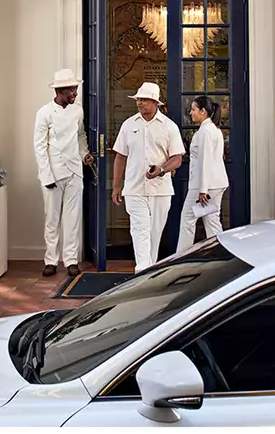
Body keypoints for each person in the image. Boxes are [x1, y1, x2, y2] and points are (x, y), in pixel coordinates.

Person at [111, 82, 185, 273]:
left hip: (161, 190)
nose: (140, 103)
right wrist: (116, 186)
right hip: (134, 188)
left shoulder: (169, 127)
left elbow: (177, 158)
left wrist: (161, 169)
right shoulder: (128, 125)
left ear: (155, 102)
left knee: (154, 233)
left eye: (144, 100)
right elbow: (120, 156)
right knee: (139, 230)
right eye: (138, 99)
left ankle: (148, 271)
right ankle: (142, 270)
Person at [32, 68, 93, 277]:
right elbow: (39, 147)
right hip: (53, 173)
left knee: (73, 218)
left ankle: (71, 260)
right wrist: (47, 176)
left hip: (75, 171)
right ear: (60, 90)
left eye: (76, 89)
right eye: (72, 90)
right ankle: (50, 260)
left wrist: (85, 154)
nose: (75, 93)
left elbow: (80, 135)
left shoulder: (77, 111)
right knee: (52, 219)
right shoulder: (44, 113)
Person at [176, 95, 230, 253]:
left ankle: (181, 258)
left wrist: (202, 190)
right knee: (212, 220)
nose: (190, 113)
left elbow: (206, 161)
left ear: (203, 111)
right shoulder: (214, 130)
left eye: (193, 110)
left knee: (187, 219)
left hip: (204, 185)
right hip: (216, 183)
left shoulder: (205, 132)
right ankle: (221, 255)